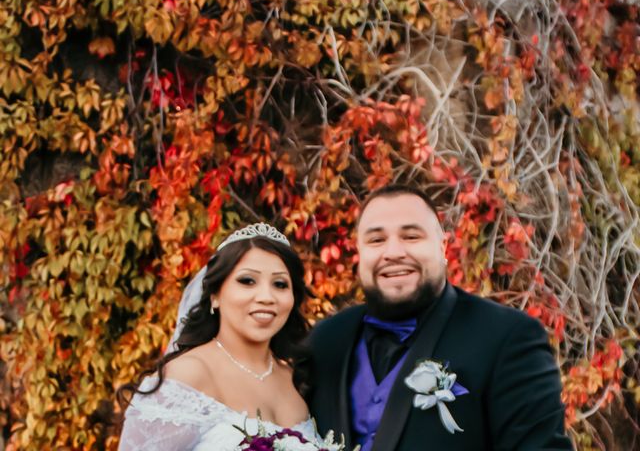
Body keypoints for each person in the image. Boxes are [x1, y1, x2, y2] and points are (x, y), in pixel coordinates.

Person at [307, 184, 573, 450]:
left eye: (411, 236)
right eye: (376, 240)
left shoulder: (507, 337)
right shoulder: (325, 340)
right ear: (359, 253)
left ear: (443, 247)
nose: (394, 252)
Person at [118, 223, 314, 450]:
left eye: (280, 284)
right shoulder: (189, 374)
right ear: (214, 296)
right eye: (247, 281)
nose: (266, 297)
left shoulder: (293, 379)